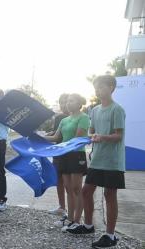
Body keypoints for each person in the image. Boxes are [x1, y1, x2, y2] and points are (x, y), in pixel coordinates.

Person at [67, 75, 126, 248]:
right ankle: (88, 225)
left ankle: (110, 235)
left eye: (101, 87)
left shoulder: (117, 109)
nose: (98, 90)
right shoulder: (94, 110)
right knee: (86, 192)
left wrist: (101, 137)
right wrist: (91, 136)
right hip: (97, 159)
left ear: (111, 87)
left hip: (113, 161)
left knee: (109, 195)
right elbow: (91, 132)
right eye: (96, 88)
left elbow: (118, 135)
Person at [45, 93, 89, 232]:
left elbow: (77, 138)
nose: (68, 103)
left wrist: (61, 146)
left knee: (77, 188)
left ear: (79, 103)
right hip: (64, 155)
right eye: (68, 101)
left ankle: (77, 220)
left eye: (72, 101)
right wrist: (39, 138)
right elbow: (57, 137)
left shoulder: (84, 117)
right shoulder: (64, 120)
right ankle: (70, 219)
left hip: (77, 155)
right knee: (68, 188)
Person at [48, 93, 69, 216]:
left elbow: (58, 136)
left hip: (69, 153)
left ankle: (69, 210)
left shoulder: (77, 117)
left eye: (66, 101)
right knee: (59, 181)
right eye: (61, 102)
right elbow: (56, 134)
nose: (63, 104)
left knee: (68, 183)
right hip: (58, 153)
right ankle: (62, 206)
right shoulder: (59, 118)